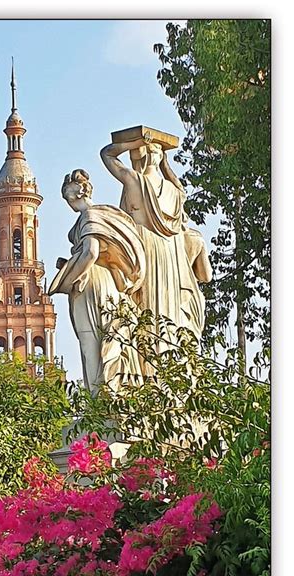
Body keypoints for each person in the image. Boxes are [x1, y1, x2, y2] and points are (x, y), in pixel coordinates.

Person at [100, 140, 212, 344]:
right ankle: (170, 353)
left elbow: (107, 154)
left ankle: (149, 361)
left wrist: (137, 140)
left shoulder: (134, 181)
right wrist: (165, 165)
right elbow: (179, 187)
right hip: (170, 252)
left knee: (146, 304)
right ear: (159, 158)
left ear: (141, 157)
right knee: (169, 307)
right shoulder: (176, 193)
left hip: (145, 246)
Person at [49, 169, 146, 394]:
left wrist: (69, 279)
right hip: (106, 281)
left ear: (77, 193)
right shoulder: (107, 215)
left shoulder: (90, 216)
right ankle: (112, 393)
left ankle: (99, 401)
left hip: (91, 282)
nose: (68, 203)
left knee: (90, 340)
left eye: (67, 198)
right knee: (108, 334)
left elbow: (91, 253)